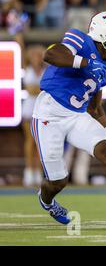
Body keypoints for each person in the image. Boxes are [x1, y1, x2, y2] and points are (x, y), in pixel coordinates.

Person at [32, 11, 106, 228]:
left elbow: (95, 107)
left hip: (76, 116)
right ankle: (46, 200)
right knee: (58, 181)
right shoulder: (80, 39)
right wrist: (85, 62)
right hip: (49, 113)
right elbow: (51, 55)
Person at [22, 45, 46, 187]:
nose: (36, 57)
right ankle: (29, 172)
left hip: (42, 111)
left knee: (40, 143)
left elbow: (43, 89)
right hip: (29, 110)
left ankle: (38, 173)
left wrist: (37, 89)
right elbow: (31, 90)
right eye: (34, 55)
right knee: (30, 142)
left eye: (39, 55)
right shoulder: (27, 68)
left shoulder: (46, 70)